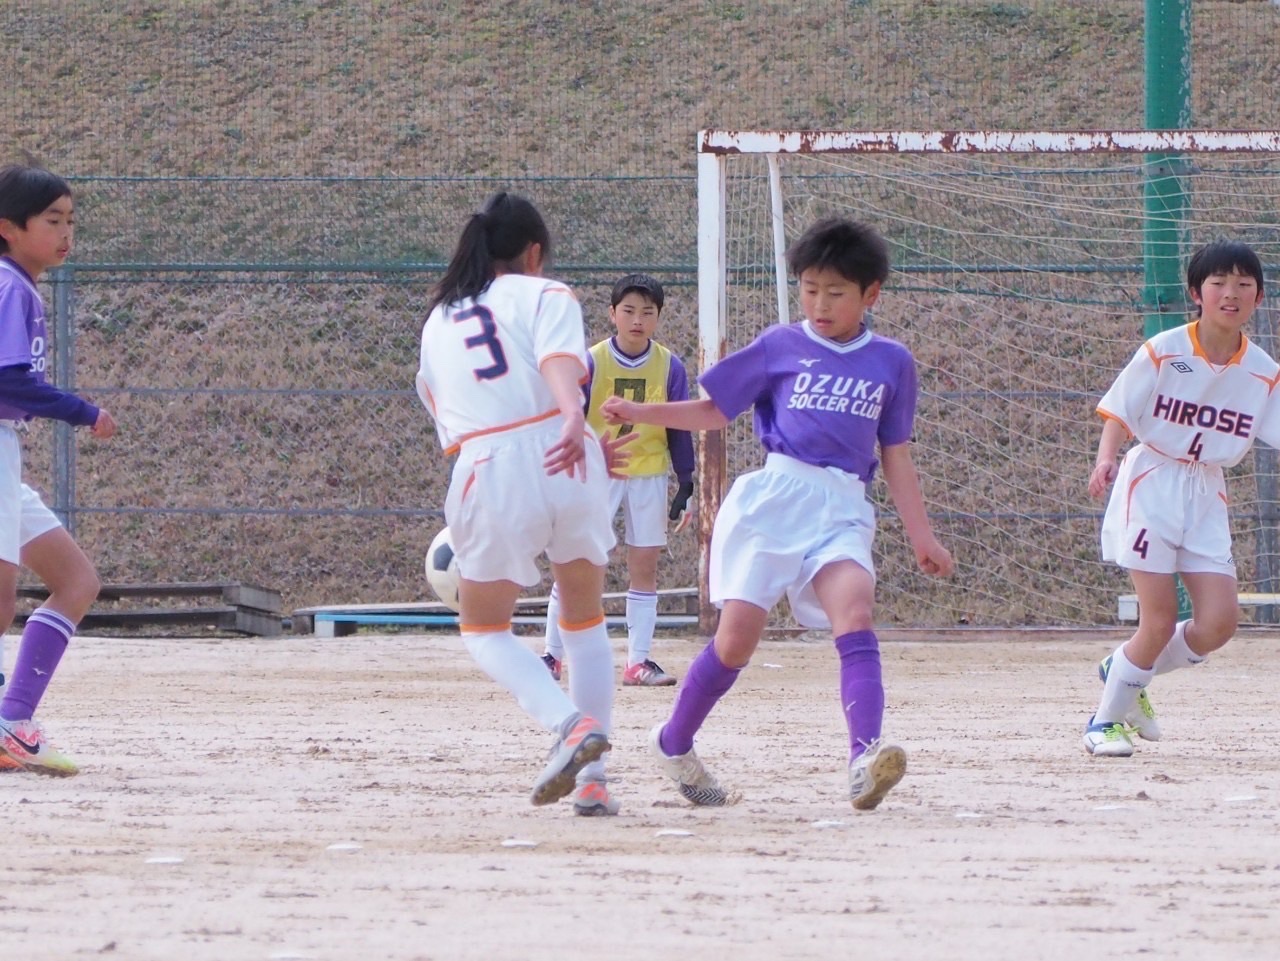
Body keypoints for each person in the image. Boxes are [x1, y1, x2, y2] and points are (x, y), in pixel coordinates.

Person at [601, 217, 953, 811]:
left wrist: (923, 535)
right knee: (736, 642)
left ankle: (864, 760)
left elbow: (895, 454)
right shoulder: (780, 346)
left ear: (871, 295)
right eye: (810, 289)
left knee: (856, 609)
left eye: (836, 292)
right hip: (773, 501)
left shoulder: (893, 363)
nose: (819, 303)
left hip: (842, 505)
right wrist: (643, 415)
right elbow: (715, 410)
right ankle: (674, 741)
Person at [415, 191, 629, 815]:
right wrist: (574, 424)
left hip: (490, 464)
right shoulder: (548, 293)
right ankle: (594, 784)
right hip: (571, 457)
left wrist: (557, 425)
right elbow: (561, 361)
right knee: (585, 623)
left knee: (484, 629)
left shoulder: (436, 323)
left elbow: (449, 420)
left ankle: (572, 728)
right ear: (535, 252)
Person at [1084, 239, 1280, 758]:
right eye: (1218, 282)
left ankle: (1126, 672)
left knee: (1218, 623)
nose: (1230, 293)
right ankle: (1103, 722)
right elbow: (1119, 411)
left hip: (1207, 490)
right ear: (1197, 292)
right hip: (1154, 481)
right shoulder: (1166, 349)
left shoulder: (1262, 370)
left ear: (1259, 297)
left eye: (1243, 284)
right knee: (1160, 619)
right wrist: (1106, 457)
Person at [0, 165, 116, 776]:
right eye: (52, 220)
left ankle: (12, 719)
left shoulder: (19, 283)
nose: (67, 232)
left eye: (70, 220)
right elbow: (4, 380)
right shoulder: (7, 285)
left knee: (75, 581)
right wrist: (81, 411)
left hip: (5, 451)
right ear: (8, 228)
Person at [541, 273, 695, 688]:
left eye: (647, 312)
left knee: (644, 566)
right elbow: (569, 418)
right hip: (597, 474)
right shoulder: (590, 361)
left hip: (647, 474)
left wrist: (687, 481)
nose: (637, 319)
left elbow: (680, 425)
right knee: (577, 561)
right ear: (612, 314)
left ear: (659, 317)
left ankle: (638, 661)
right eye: (628, 310)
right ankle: (551, 655)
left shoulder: (669, 365)